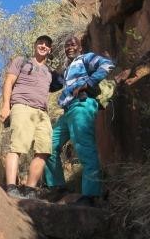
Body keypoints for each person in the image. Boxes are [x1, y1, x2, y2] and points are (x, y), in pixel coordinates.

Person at [44, 35, 114, 206]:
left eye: (73, 44)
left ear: (80, 47)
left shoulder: (85, 58)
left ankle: (91, 196)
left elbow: (107, 64)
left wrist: (88, 83)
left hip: (81, 105)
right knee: (48, 146)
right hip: (67, 111)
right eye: (67, 45)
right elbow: (53, 84)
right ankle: (58, 186)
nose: (69, 47)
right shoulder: (67, 70)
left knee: (84, 147)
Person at [0, 35, 58, 199]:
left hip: (42, 113)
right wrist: (5, 106)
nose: (43, 46)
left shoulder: (49, 72)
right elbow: (9, 82)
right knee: (16, 146)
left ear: (50, 50)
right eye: (40, 43)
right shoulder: (21, 61)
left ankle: (30, 189)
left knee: (44, 150)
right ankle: (11, 186)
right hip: (21, 106)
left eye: (47, 44)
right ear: (35, 45)